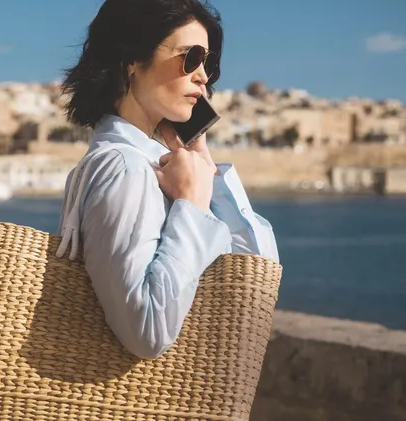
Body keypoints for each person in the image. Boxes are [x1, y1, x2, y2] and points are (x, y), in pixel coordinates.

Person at [56, 0, 279, 360]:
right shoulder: (126, 168)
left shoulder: (154, 166)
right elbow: (147, 331)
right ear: (132, 59)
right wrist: (191, 206)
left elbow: (256, 285)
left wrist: (205, 167)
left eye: (208, 63)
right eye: (190, 57)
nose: (203, 76)